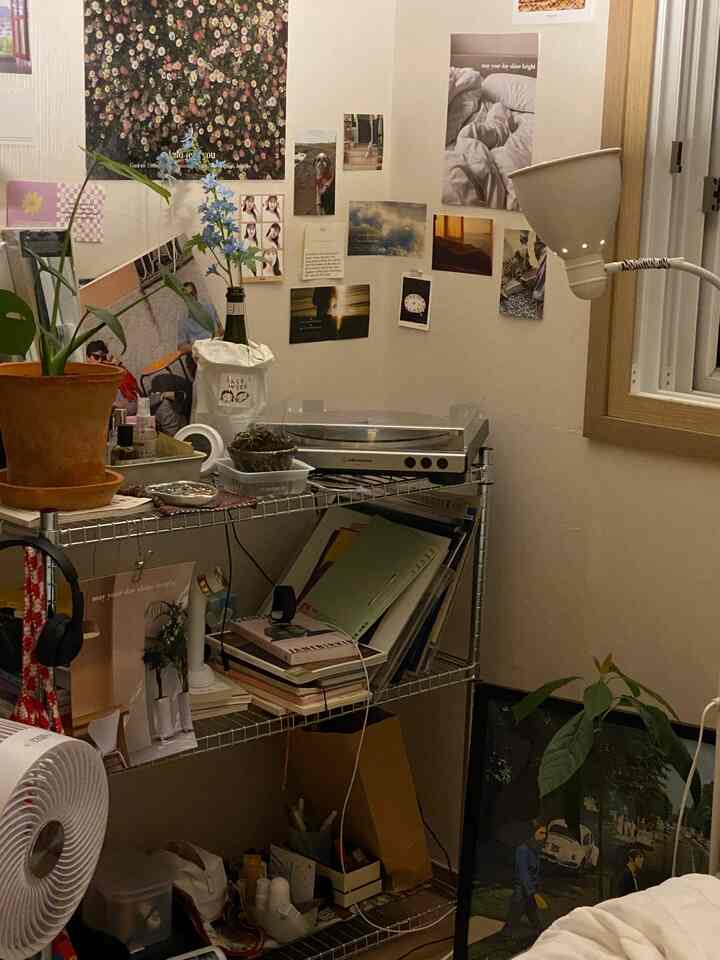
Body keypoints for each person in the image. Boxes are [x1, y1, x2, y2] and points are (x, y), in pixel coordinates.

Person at [505, 822, 548, 936]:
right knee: (512, 921)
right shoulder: (523, 850)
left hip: (530, 892)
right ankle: (505, 939)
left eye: (545, 833)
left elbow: (534, 872)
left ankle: (540, 935)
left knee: (538, 922)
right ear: (532, 833)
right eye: (541, 833)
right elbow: (523, 873)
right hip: (522, 892)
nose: (544, 836)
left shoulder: (535, 849)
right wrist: (533, 893)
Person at [86, 340, 140, 406]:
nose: (100, 360)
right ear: (88, 357)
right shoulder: (84, 374)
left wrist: (118, 366)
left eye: (103, 357)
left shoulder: (113, 370)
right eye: (96, 357)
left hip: (122, 405)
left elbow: (132, 396)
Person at [177, 281, 220, 356]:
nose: (190, 298)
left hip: (215, 348)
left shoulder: (209, 308)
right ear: (183, 298)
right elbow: (181, 347)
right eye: (187, 296)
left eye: (192, 294)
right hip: (198, 354)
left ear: (196, 294)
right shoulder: (182, 320)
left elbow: (219, 330)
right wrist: (198, 348)